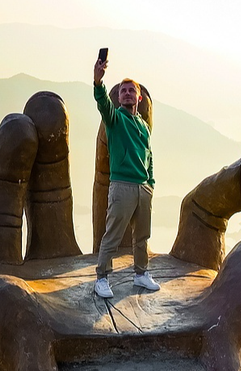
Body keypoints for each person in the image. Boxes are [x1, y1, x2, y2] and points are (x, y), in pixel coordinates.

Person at [93, 56, 161, 298]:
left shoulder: (143, 126)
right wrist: (98, 82)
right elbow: (103, 104)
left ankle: (141, 274)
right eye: (123, 91)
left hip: (143, 188)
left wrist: (150, 184)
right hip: (121, 185)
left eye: (132, 91)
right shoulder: (115, 119)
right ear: (119, 97)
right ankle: (102, 277)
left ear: (139, 97)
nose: (128, 94)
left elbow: (149, 156)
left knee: (142, 236)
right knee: (113, 233)